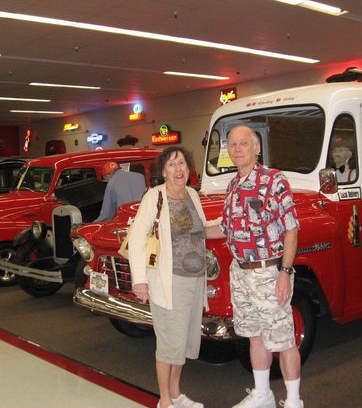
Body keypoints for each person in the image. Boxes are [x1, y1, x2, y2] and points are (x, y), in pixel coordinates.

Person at [206, 125, 302, 408]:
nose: (237, 149)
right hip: (241, 272)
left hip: (268, 272)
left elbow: (291, 229)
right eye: (232, 144)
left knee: (283, 340)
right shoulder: (233, 185)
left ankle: (293, 401)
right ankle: (263, 395)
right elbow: (225, 228)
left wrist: (284, 272)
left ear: (257, 148)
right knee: (254, 336)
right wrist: (192, 230)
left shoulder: (274, 180)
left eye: (243, 143)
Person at [129, 147, 207, 408]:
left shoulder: (192, 195)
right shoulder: (155, 196)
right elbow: (137, 239)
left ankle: (175, 394)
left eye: (182, 163)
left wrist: (230, 225)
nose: (178, 169)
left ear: (189, 168)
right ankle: (164, 400)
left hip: (194, 281)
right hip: (169, 281)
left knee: (182, 342)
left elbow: (201, 230)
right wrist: (139, 280)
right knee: (169, 343)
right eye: (172, 165)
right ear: (163, 172)